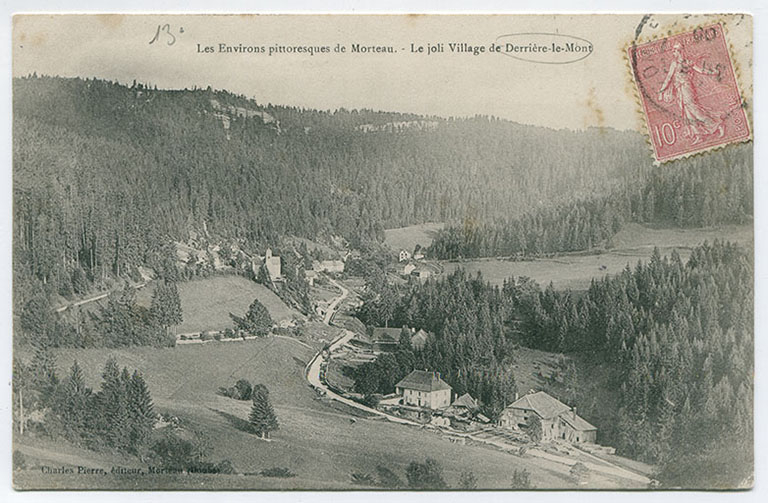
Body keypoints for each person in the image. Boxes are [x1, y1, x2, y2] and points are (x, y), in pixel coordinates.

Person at [657, 43, 725, 145]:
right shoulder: (675, 63)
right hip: (680, 91)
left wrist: (713, 72)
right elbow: (669, 78)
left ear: (680, 51)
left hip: (687, 88)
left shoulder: (687, 62)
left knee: (694, 110)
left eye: (674, 51)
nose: (673, 53)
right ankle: (698, 135)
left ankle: (716, 124)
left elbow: (700, 70)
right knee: (687, 113)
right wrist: (662, 91)